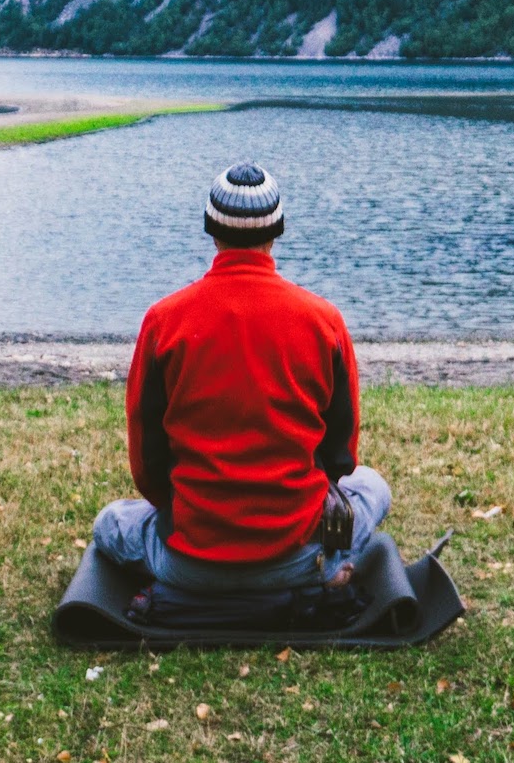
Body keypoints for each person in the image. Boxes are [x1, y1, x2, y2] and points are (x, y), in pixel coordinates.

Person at [91, 163, 392, 595]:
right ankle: (332, 569)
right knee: (371, 486)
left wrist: (193, 519)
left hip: (188, 561)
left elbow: (148, 464)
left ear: (212, 230)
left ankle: (192, 587)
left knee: (113, 521)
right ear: (278, 230)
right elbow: (342, 458)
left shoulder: (163, 321)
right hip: (301, 557)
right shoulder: (324, 321)